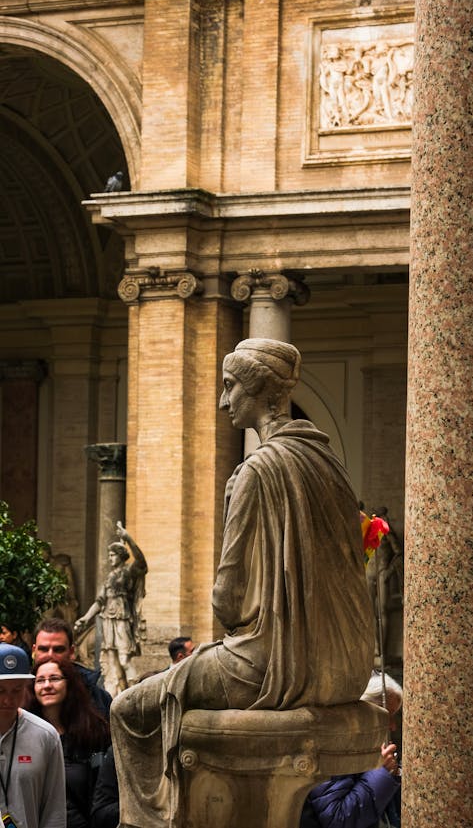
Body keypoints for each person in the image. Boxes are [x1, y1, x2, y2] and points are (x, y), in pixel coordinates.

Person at [111, 338, 374, 828]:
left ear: (263, 393)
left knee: (129, 709)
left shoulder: (258, 470)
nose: (222, 400)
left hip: (272, 664)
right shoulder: (328, 464)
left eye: (230, 387)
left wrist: (235, 506)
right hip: (344, 665)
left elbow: (228, 603)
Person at [300, 672, 403, 828]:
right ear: (365, 713)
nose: (393, 726)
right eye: (386, 716)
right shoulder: (333, 746)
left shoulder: (367, 746)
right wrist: (381, 772)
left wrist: (393, 773)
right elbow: (338, 818)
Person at [26, 655, 111, 828]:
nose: (47, 685)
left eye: (55, 678)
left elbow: (101, 789)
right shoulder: (23, 735)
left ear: (69, 684)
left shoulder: (94, 732)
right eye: (40, 681)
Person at [74, 522, 148, 697]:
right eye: (109, 555)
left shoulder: (129, 572)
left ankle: (136, 694)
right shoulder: (109, 578)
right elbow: (100, 602)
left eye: (113, 554)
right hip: (108, 618)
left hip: (122, 617)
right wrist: (85, 618)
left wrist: (127, 538)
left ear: (121, 556)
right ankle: (115, 698)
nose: (110, 558)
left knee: (124, 659)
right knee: (111, 662)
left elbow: (141, 561)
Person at [0, 642, 66, 828]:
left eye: (17, 690)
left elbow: (55, 811)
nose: (8, 699)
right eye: (0, 690)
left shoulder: (45, 736)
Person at [33, 617, 112, 717]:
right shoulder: (20, 694)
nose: (50, 656)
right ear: (34, 651)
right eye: (44, 649)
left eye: (58, 650)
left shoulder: (98, 698)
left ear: (71, 652)